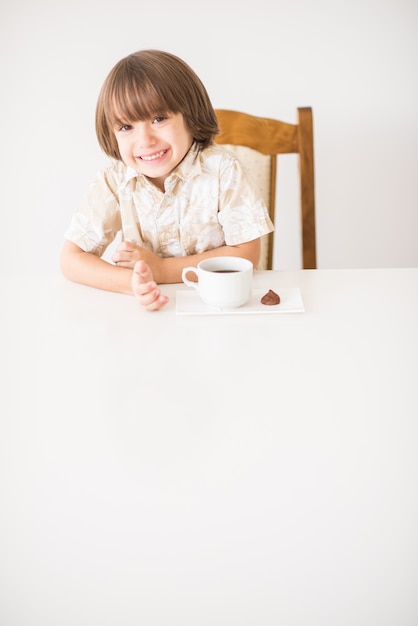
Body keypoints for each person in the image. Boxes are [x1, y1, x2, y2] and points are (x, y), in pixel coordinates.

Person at [60, 49, 274, 311]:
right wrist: (133, 281)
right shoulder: (115, 181)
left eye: (159, 119)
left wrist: (161, 270)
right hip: (156, 314)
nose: (145, 140)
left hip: (223, 310)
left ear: (190, 115)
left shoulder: (222, 170)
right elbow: (71, 259)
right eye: (126, 127)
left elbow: (247, 255)